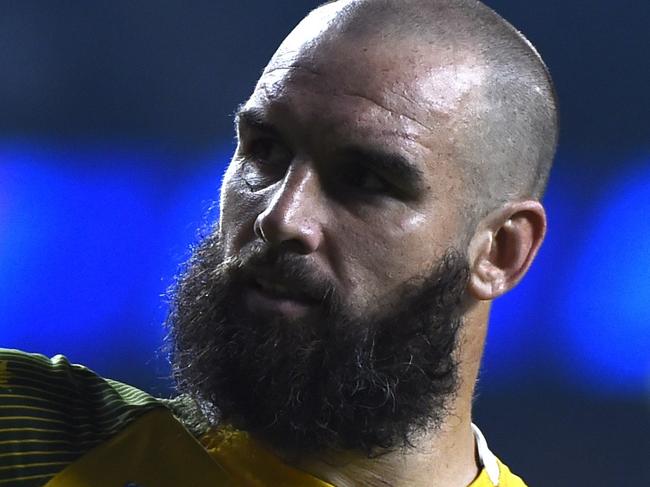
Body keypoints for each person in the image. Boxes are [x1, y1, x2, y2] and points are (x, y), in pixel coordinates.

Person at [0, 0, 558, 485]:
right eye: (265, 150)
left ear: (499, 253)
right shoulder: (26, 441)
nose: (281, 216)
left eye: (364, 180)